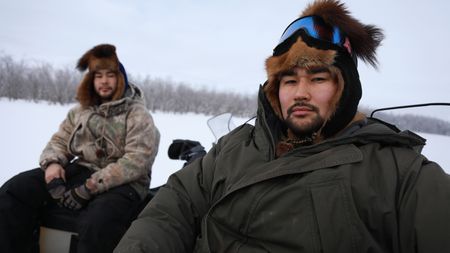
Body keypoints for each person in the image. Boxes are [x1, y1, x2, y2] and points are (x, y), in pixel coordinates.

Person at [114, 1, 450, 252]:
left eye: (318, 78)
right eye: (289, 79)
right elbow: (176, 203)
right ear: (276, 89)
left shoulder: (397, 173)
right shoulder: (240, 144)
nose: (300, 92)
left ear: (344, 86)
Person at [0, 44, 160, 253]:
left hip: (125, 183)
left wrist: (89, 187)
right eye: (98, 75)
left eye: (110, 75)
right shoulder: (81, 111)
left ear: (120, 79)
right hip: (84, 170)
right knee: (16, 190)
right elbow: (59, 141)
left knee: (98, 222)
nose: (104, 81)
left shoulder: (138, 115)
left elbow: (136, 162)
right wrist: (53, 165)